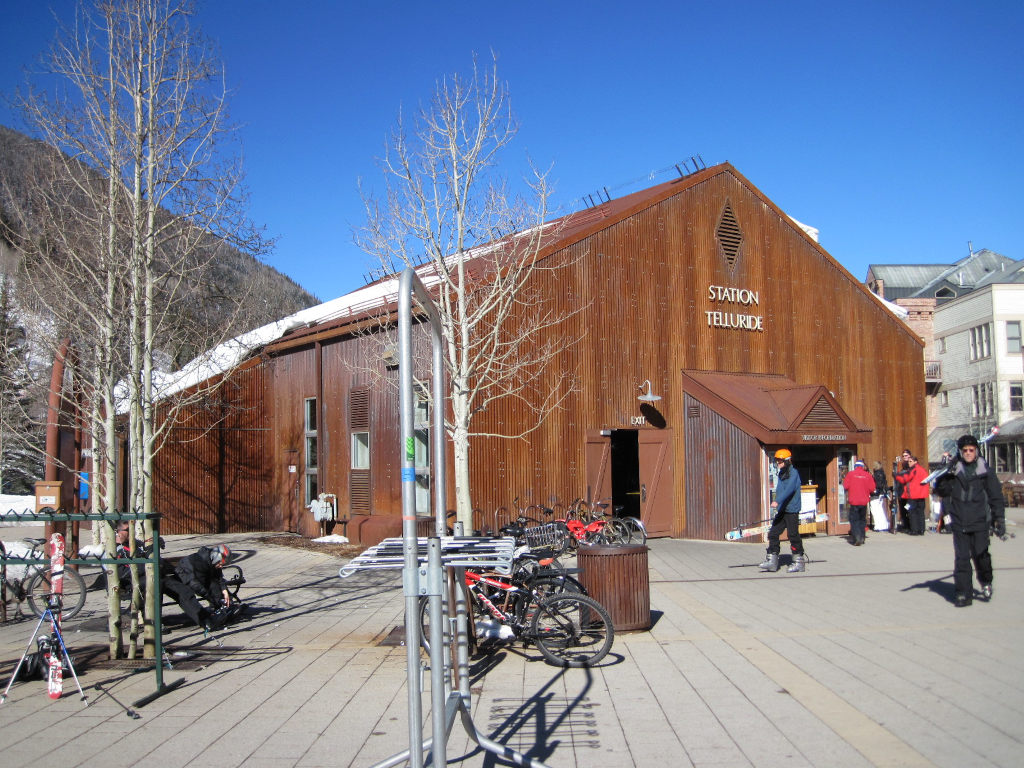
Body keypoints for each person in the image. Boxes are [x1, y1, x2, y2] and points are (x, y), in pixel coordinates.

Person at [934, 434, 1005, 607]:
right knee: (962, 559)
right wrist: (943, 475)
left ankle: (986, 580)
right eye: (964, 450)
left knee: (981, 556)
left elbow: (995, 495)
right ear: (960, 452)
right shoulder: (954, 470)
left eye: (971, 450)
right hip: (960, 522)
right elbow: (941, 491)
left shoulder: (984, 471)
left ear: (976, 451)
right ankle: (963, 593)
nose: (967, 453)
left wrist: (999, 519)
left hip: (980, 521)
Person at [161, 544, 233, 631]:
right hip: (185, 577)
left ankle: (223, 607)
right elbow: (196, 585)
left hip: (197, 579)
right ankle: (210, 617)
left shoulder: (212, 560)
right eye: (220, 564)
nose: (221, 566)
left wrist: (224, 589)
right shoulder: (198, 563)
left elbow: (218, 575)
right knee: (188, 594)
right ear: (215, 557)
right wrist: (211, 599)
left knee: (215, 585)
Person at [759, 448, 807, 573]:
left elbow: (789, 490)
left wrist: (777, 500)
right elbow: (780, 489)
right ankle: (772, 561)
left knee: (793, 535)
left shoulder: (794, 473)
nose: (778, 464)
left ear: (787, 461)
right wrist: (778, 503)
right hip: (782, 510)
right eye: (777, 462)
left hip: (791, 509)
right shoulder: (781, 473)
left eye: (780, 462)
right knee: (773, 533)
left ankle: (798, 561)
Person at [893, 452, 929, 535]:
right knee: (920, 513)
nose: (909, 463)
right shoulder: (923, 470)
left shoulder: (914, 469)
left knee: (912, 513)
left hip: (913, 495)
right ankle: (921, 529)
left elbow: (905, 479)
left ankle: (915, 530)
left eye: (910, 461)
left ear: (915, 461)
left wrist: (896, 476)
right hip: (921, 495)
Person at [843, 460, 875, 545]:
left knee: (854, 520)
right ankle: (862, 537)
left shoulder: (850, 474)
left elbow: (845, 485)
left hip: (854, 501)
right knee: (862, 520)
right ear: (862, 467)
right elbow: (872, 488)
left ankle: (857, 537)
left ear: (855, 466)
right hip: (864, 501)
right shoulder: (867, 475)